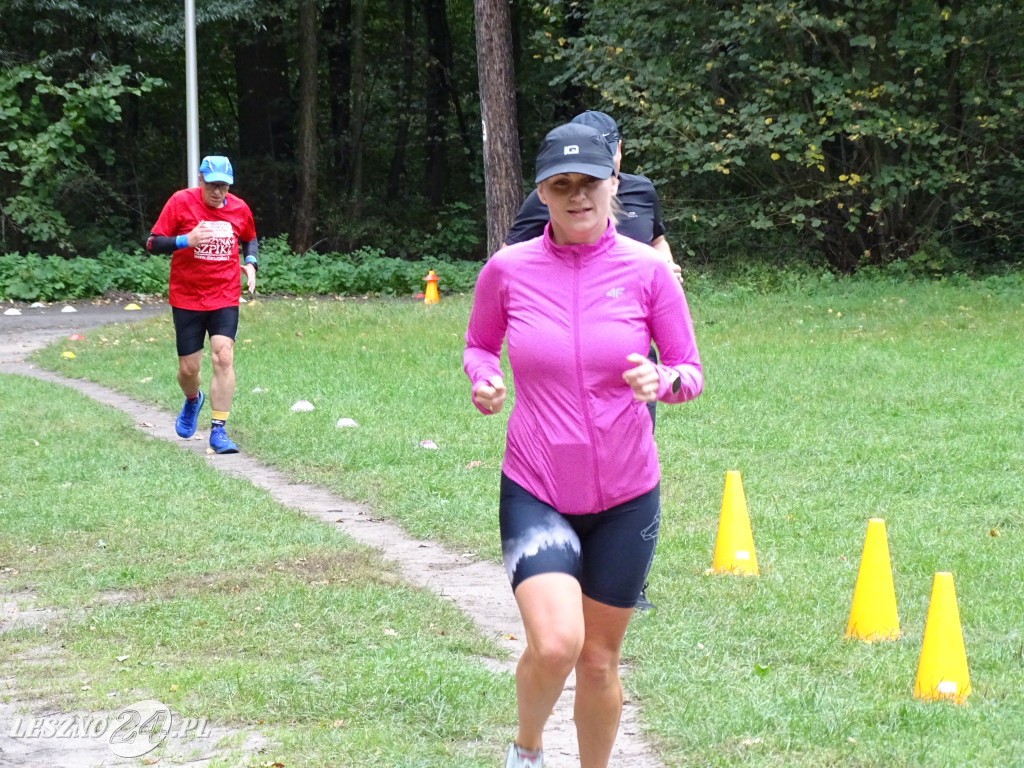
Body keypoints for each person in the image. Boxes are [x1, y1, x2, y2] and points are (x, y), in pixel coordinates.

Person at [464, 123, 703, 768]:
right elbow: (480, 345)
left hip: (627, 496)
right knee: (556, 644)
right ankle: (527, 748)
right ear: (542, 192)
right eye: (560, 185)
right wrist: (486, 379)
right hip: (538, 486)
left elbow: (690, 369)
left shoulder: (649, 271)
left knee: (598, 660)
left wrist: (664, 381)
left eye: (589, 183)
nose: (576, 197)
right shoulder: (507, 271)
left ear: (613, 185)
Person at [503, 109, 679, 610]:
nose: (579, 192)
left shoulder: (640, 190)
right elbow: (513, 261)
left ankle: (622, 574)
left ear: (618, 154)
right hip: (564, 351)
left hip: (627, 350)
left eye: (610, 145)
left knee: (629, 442)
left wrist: (665, 267)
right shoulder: (555, 194)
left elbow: (657, 238)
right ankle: (563, 557)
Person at [145, 155, 258, 454]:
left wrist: (251, 262)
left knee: (223, 356)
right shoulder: (180, 202)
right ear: (200, 180)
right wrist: (186, 240)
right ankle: (193, 400)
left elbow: (250, 238)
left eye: (223, 186)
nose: (218, 192)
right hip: (187, 297)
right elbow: (152, 243)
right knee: (188, 369)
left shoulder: (239, 208)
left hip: (224, 294)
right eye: (212, 185)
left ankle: (219, 431)